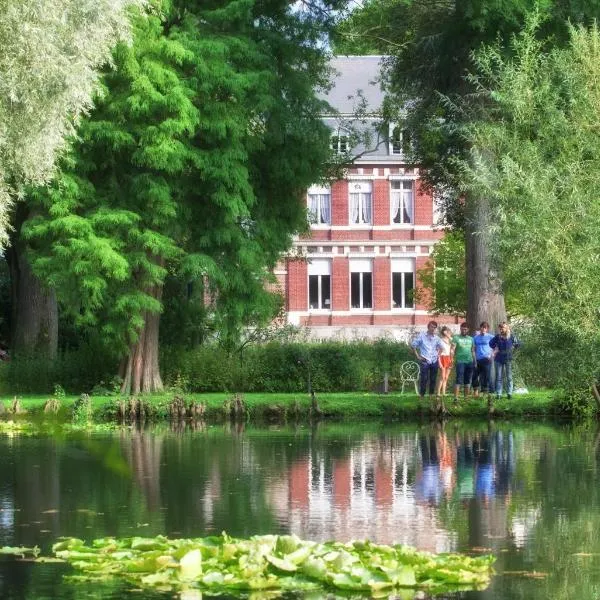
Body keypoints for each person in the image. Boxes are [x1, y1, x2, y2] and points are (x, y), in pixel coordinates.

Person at [411, 321, 443, 402]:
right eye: (432, 327)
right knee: (424, 379)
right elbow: (413, 345)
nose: (433, 329)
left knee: (433, 379)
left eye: (435, 327)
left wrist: (438, 355)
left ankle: (431, 395)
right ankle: (422, 395)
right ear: (428, 327)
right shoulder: (421, 336)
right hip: (424, 360)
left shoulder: (437, 338)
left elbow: (442, 348)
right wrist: (418, 356)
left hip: (434, 361)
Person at [489, 322, 521, 399]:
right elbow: (490, 343)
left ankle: (509, 393)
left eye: (502, 328)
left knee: (509, 377)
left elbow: (519, 344)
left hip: (508, 358)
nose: (501, 329)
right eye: (500, 328)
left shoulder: (511, 336)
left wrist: (514, 351)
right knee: (499, 377)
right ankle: (499, 394)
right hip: (498, 358)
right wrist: (495, 347)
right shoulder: (497, 337)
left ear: (506, 328)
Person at [452, 322, 475, 403]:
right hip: (460, 361)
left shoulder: (471, 339)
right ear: (460, 329)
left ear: (468, 330)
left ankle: (466, 398)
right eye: (462, 329)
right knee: (459, 379)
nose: (464, 330)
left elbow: (472, 351)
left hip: (470, 361)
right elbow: (453, 349)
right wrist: (452, 358)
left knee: (468, 380)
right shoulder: (456, 338)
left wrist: (474, 361)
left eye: (465, 329)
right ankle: (456, 398)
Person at [472, 322, 494, 398]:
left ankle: (485, 392)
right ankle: (476, 391)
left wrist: (491, 355)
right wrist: (474, 359)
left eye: (485, 328)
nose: (483, 329)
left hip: (486, 359)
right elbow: (473, 349)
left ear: (487, 329)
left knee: (486, 376)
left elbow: (496, 347)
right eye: (482, 327)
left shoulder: (491, 337)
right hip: (477, 359)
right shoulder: (475, 337)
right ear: (480, 328)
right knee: (474, 376)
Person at [436, 326, 453, 398]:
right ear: (443, 332)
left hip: (449, 358)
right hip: (442, 358)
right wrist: (439, 362)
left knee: (446, 377)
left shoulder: (451, 340)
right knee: (442, 377)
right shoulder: (440, 340)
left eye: (448, 331)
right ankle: (438, 393)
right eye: (445, 331)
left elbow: (453, 347)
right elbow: (438, 352)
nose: (447, 333)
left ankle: (443, 393)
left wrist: (449, 337)